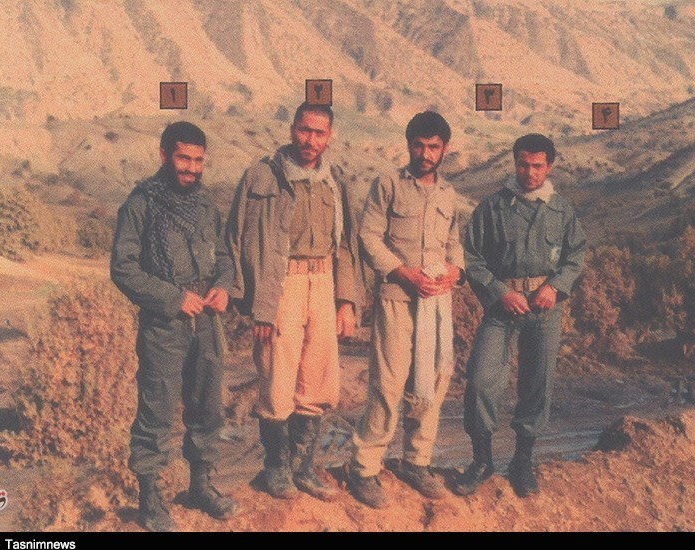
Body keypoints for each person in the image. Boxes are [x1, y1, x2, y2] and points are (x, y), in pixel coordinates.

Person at [226, 103, 361, 501]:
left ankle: (303, 468)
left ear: (329, 137)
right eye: (304, 130)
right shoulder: (262, 176)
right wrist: (258, 304)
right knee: (276, 379)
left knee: (317, 381)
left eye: (319, 133)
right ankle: (276, 469)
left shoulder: (335, 180)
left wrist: (346, 301)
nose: (310, 140)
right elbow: (236, 239)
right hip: (280, 283)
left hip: (323, 282)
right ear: (291, 129)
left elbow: (346, 245)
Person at [111, 121, 237, 531]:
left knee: (207, 407)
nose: (191, 168)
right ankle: (150, 501)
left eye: (198, 160)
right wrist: (172, 298)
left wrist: (222, 287)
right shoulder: (141, 204)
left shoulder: (206, 207)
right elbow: (123, 268)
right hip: (164, 325)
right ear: (164, 155)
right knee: (157, 411)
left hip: (207, 322)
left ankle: (200, 487)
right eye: (184, 158)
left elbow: (224, 258)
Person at [456, 133, 586, 498]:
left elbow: (575, 255)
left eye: (537, 166)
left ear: (549, 167)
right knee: (481, 380)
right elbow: (473, 258)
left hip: (545, 307)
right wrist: (500, 292)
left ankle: (522, 461)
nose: (530, 173)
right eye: (523, 165)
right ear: (514, 163)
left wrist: (555, 287)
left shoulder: (561, 210)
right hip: (503, 306)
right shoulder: (493, 208)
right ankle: (482, 461)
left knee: (537, 383)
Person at [348, 111, 464, 509]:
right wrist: (403, 272)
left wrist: (456, 271)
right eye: (419, 145)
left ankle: (417, 461)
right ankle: (364, 468)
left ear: (445, 149)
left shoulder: (448, 193)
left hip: (437, 302)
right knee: (388, 383)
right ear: (408, 145)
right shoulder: (388, 185)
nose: (425, 153)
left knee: (433, 381)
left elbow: (453, 242)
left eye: (434, 147)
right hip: (397, 298)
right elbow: (368, 236)